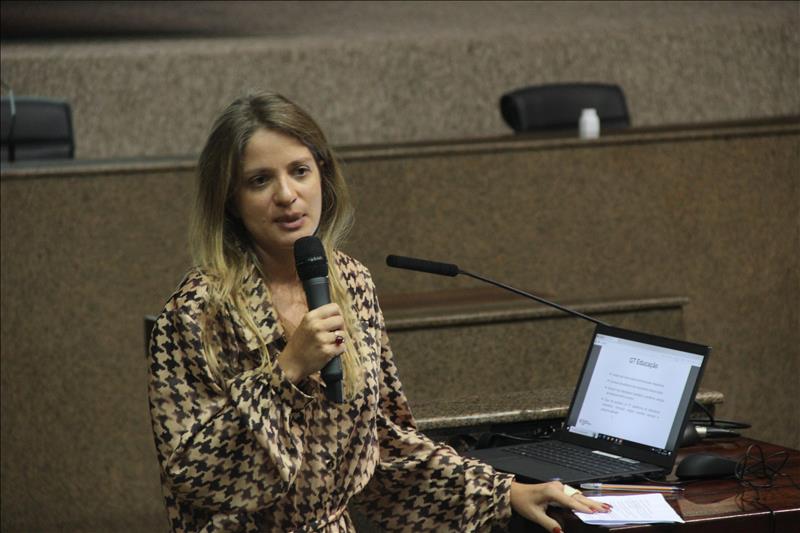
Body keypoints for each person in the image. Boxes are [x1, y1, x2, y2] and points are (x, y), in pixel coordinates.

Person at [147, 91, 609, 532]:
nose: (287, 195)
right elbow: (195, 475)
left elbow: (384, 445)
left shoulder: (350, 283)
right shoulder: (195, 313)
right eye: (260, 180)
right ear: (230, 199)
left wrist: (503, 493)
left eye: (300, 171)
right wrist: (285, 373)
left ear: (322, 177)